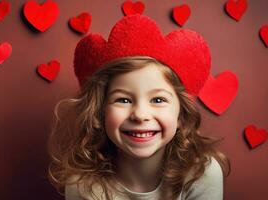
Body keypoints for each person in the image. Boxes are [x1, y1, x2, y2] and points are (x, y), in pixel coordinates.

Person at [47, 15, 230, 200]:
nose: (140, 115)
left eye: (158, 100)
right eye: (123, 100)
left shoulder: (201, 174)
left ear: (181, 113)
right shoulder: (82, 183)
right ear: (100, 111)